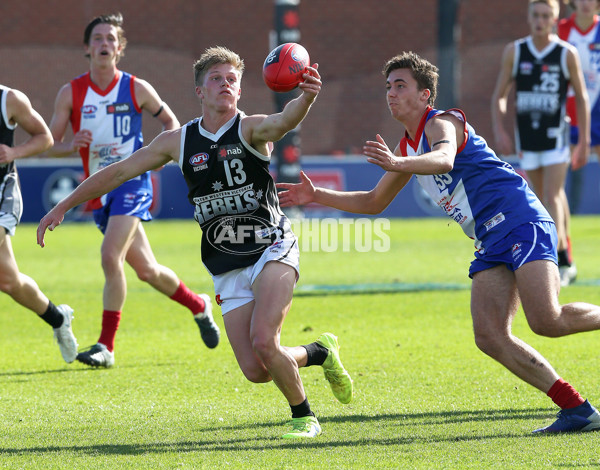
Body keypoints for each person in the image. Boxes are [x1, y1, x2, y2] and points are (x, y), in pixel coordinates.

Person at [277, 50, 600, 433]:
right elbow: (374, 202)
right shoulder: (407, 147)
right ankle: (577, 410)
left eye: (401, 86)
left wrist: (398, 164)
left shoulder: (442, 121)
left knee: (547, 320)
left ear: (426, 95)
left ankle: (577, 410)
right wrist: (317, 197)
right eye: (388, 87)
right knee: (490, 336)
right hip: (490, 238)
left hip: (520, 221)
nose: (391, 94)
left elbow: (445, 158)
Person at [38, 46, 353, 438]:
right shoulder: (178, 141)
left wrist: (306, 96)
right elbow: (119, 171)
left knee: (264, 341)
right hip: (226, 262)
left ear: (240, 91)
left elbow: (285, 119)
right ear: (200, 92)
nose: (225, 84)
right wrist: (64, 205)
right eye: (216, 79)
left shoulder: (252, 128)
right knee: (256, 369)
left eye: (232, 80)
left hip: (272, 247)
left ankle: (304, 417)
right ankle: (320, 353)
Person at [46, 13, 220, 368]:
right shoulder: (71, 92)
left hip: (133, 181)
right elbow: (50, 143)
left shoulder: (136, 87)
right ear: (87, 48)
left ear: (120, 48)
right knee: (147, 270)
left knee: (110, 256)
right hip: (98, 188)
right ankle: (199, 305)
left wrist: (159, 157)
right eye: (97, 38)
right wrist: (70, 144)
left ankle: (106, 347)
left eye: (111, 38)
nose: (104, 44)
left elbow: (171, 123)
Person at [491, 0, 589, 287]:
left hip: (556, 135)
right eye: (536, 15)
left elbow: (581, 98)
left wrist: (583, 141)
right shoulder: (516, 51)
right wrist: (500, 129)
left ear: (555, 19)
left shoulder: (565, 53)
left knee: (552, 193)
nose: (540, 21)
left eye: (546, 16)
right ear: (529, 16)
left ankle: (558, 259)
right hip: (527, 136)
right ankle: (564, 255)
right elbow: (500, 94)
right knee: (540, 195)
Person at [0, 84, 78, 363]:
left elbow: (45, 138)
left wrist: (12, 153)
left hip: (2, 194)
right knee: (9, 281)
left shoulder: (9, 99)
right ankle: (58, 318)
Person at [558, 0, 600, 213]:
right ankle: (563, 235)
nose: (586, 3)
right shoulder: (560, 30)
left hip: (598, 108)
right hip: (568, 112)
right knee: (559, 177)